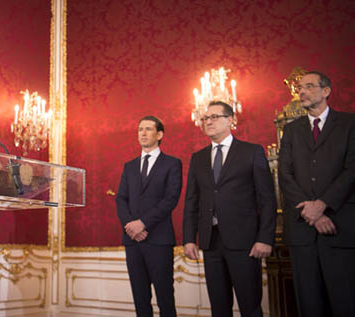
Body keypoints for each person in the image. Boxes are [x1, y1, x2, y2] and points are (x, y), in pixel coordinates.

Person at [183, 101, 276, 317]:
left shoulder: (251, 152)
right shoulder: (198, 158)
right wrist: (189, 238)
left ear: (231, 120)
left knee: (250, 306)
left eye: (214, 117)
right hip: (211, 242)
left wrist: (265, 238)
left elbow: (267, 199)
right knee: (219, 308)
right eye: (206, 118)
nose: (208, 122)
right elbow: (192, 202)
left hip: (245, 242)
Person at [278, 71, 355, 316]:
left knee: (346, 302)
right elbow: (284, 175)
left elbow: (352, 170)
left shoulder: (349, 124)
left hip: (340, 227)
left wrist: (323, 204)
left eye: (309, 86)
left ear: (326, 91)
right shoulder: (291, 131)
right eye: (300, 87)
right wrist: (312, 213)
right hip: (303, 231)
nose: (302, 91)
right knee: (309, 305)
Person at [116, 115, 182, 317]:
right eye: (139, 130)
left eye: (148, 129)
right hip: (132, 241)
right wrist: (131, 226)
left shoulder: (172, 163)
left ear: (159, 134)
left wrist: (142, 224)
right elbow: (121, 199)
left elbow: (170, 199)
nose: (142, 133)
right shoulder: (129, 166)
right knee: (140, 298)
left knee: (165, 298)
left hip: (159, 239)